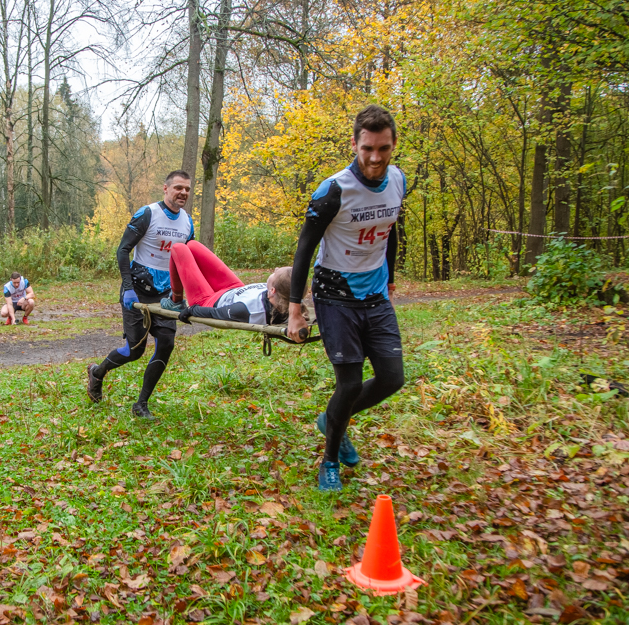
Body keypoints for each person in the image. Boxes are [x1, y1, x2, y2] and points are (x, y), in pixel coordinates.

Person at [287, 105, 407, 492]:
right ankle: (330, 460)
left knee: (392, 378)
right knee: (351, 384)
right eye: (367, 148)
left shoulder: (398, 181)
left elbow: (389, 230)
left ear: (393, 146)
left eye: (383, 149)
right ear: (354, 144)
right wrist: (295, 309)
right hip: (334, 294)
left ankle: (332, 417)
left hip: (375, 293)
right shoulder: (333, 190)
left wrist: (390, 279)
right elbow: (305, 249)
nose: (375, 158)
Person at [86, 170, 194, 419]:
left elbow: (187, 259)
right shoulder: (148, 214)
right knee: (135, 350)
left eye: (187, 189)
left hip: (165, 295)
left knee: (166, 343)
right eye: (178, 187)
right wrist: (128, 288)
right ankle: (97, 372)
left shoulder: (187, 221)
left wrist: (183, 294)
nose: (183, 193)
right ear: (165, 189)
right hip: (137, 291)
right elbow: (123, 250)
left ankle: (141, 404)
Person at [166, 240, 302, 325]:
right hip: (234, 289)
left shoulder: (248, 310)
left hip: (210, 301)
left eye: (275, 273)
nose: (275, 269)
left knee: (178, 248)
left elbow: (216, 314)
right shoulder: (282, 296)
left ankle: (175, 301)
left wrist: (190, 309)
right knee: (192, 245)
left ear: (273, 290)